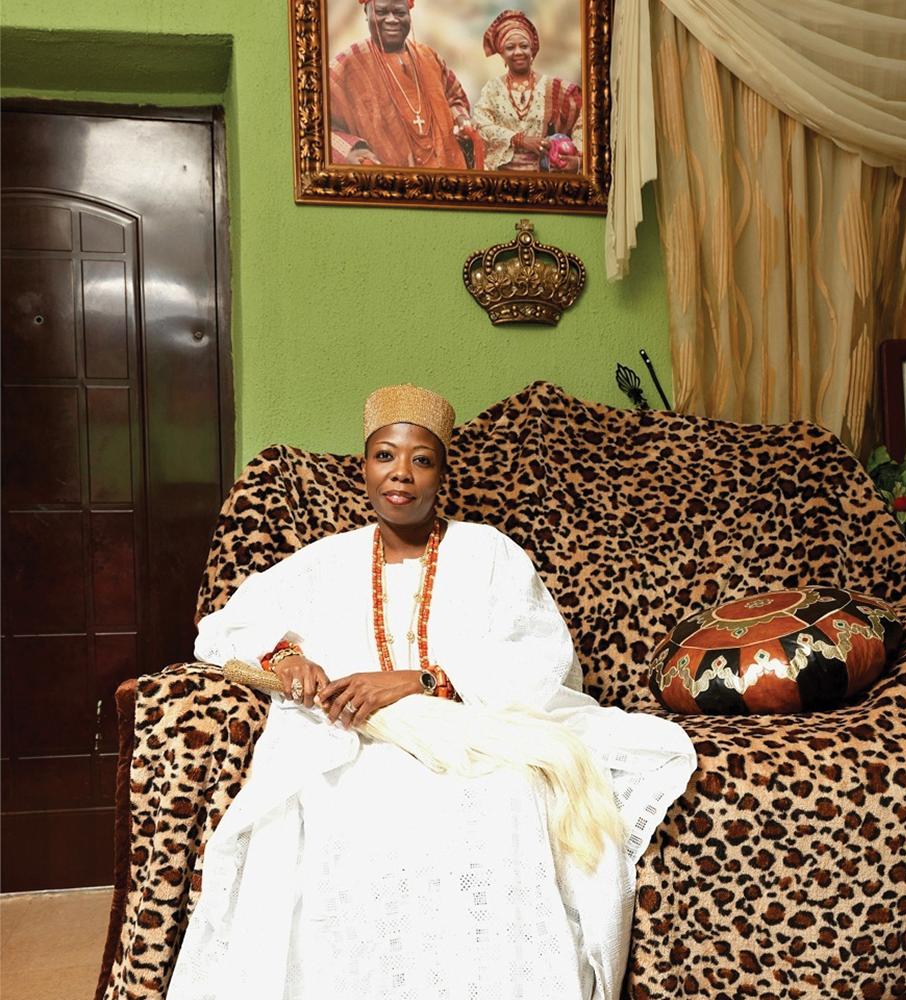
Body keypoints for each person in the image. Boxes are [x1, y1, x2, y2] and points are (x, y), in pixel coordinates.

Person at [165, 385, 696, 1000]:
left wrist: (418, 681)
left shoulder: (487, 552)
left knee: (508, 796)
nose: (401, 474)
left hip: (475, 733)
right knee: (337, 802)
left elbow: (542, 661)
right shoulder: (326, 561)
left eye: (422, 459)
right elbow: (228, 625)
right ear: (363, 466)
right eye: (385, 455)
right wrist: (289, 657)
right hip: (354, 739)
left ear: (442, 473)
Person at [328, 0, 478, 169]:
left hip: (447, 175)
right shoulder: (347, 64)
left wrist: (461, 119)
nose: (392, 19)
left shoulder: (429, 56)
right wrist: (352, 150)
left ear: (409, 15)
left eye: (399, 13)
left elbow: (454, 97)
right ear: (366, 14)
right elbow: (317, 124)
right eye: (382, 12)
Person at [473, 10, 585, 173]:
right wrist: (520, 140)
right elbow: (481, 124)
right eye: (510, 47)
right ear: (502, 54)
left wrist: (578, 159)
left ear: (532, 50)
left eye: (524, 46)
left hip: (546, 182)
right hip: (499, 181)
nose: (518, 52)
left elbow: (582, 123)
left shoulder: (555, 88)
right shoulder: (492, 89)